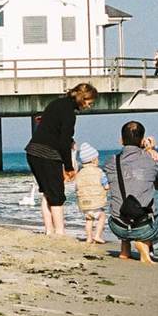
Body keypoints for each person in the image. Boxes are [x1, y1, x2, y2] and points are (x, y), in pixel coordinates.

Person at [106, 121, 158, 264]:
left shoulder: (111, 162)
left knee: (124, 203)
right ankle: (146, 244)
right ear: (143, 140)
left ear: (121, 140)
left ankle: (125, 249)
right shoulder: (152, 160)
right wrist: (151, 150)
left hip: (117, 226)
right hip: (143, 228)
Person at [25, 83, 98, 236]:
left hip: (33, 151)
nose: (89, 106)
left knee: (47, 192)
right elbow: (63, 142)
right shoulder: (69, 113)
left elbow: (52, 128)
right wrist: (69, 167)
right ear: (83, 99)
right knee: (57, 195)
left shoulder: (56, 103)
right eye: (90, 103)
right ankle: (60, 232)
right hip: (47, 153)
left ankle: (49, 230)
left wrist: (69, 140)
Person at [73, 142, 108, 244]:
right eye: (97, 158)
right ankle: (97, 235)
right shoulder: (99, 172)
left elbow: (76, 188)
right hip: (96, 204)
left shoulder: (79, 174)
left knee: (89, 220)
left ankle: (89, 237)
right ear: (93, 160)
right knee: (102, 217)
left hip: (84, 204)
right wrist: (107, 188)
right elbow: (106, 185)